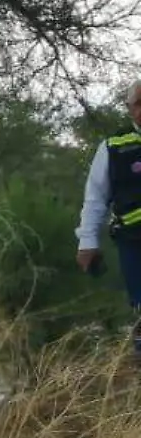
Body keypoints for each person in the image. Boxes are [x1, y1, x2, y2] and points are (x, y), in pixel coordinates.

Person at [75, 80, 141, 314]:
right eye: (138, 104)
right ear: (129, 108)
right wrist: (87, 242)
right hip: (134, 242)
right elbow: (95, 197)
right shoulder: (113, 147)